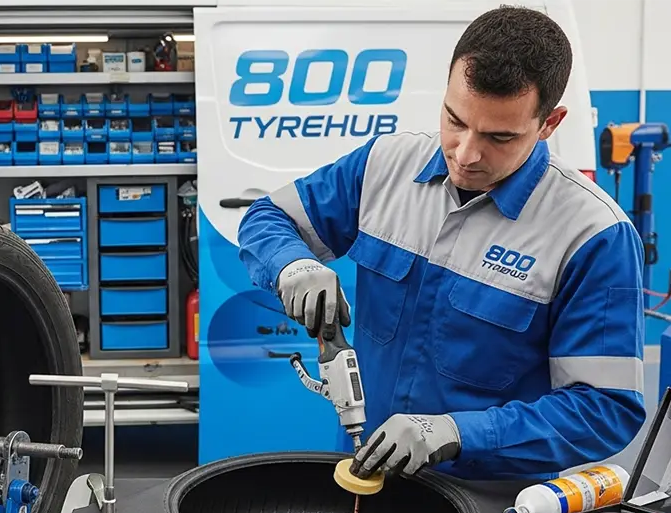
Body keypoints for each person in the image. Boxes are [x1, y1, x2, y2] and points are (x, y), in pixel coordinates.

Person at [237, 6, 646, 481]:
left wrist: (458, 434)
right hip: (365, 469)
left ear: (549, 123)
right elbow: (268, 217)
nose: (466, 153)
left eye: (499, 137)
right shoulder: (385, 166)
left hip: (490, 508)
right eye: (455, 119)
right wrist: (292, 267)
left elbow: (604, 409)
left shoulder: (593, 235)